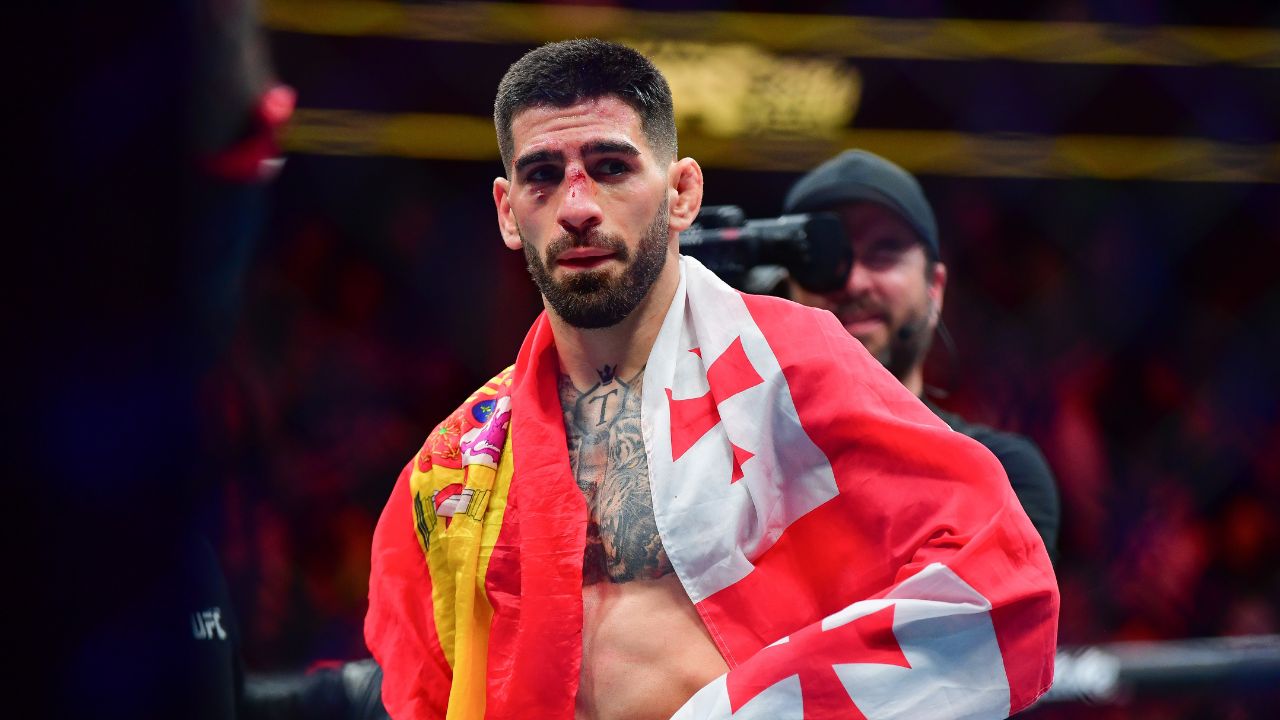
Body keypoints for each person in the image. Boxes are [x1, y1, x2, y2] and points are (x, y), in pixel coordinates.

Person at [365, 39, 1057, 720]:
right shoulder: (457, 463)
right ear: (508, 211)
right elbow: (421, 689)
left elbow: (997, 577)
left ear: (681, 194)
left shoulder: (793, 364)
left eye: (611, 167)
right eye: (543, 174)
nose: (577, 206)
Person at [781, 150, 1061, 562]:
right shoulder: (741, 464)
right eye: (824, 259)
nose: (853, 281)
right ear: (788, 290)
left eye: (884, 251)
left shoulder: (999, 471)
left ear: (935, 288)